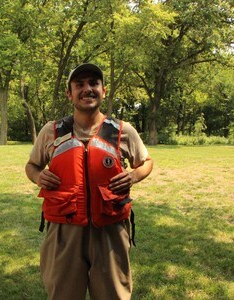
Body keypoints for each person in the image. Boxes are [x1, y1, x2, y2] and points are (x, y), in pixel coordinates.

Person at [25, 63, 153, 300]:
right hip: (64, 231)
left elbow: (146, 162)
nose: (88, 89)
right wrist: (37, 176)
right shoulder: (51, 131)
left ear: (104, 90)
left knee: (113, 295)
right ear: (69, 93)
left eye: (94, 83)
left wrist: (133, 175)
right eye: (79, 84)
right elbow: (31, 166)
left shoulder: (123, 131)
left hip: (110, 231)